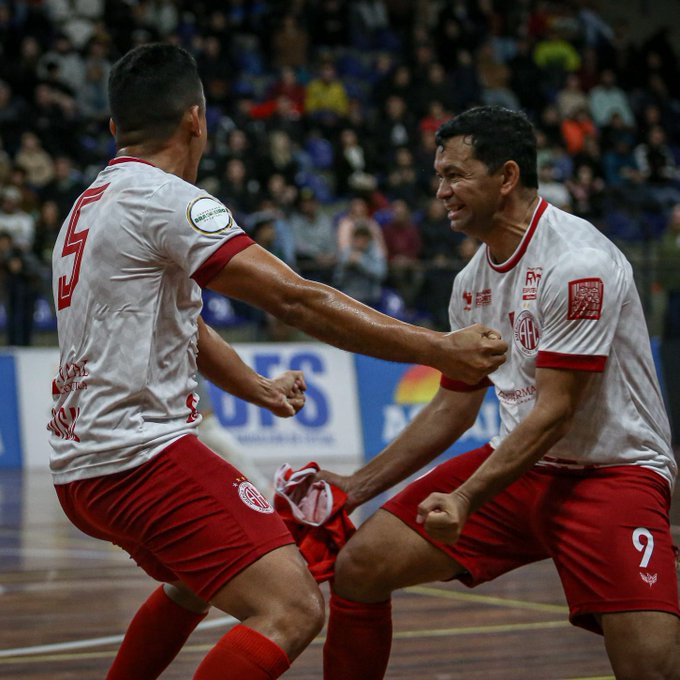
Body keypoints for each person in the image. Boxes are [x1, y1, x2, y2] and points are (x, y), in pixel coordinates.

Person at [48, 45, 506, 680]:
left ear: (114, 129)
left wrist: (258, 389)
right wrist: (438, 348)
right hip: (140, 460)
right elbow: (297, 298)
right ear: (196, 120)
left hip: (80, 470)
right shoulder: (167, 200)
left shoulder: (87, 207)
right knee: (291, 607)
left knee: (194, 581)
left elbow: (184, 325)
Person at [318, 106, 680, 680]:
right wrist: (355, 487)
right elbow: (454, 406)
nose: (442, 191)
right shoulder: (470, 285)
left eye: (456, 175)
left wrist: (464, 499)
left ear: (506, 177)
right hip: (525, 470)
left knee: (651, 668)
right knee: (360, 566)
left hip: (612, 472)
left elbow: (557, 412)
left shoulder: (578, 264)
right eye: (440, 176)